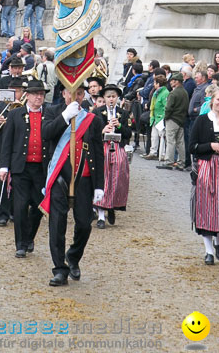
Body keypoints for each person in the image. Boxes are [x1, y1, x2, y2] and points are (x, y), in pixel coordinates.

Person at [41, 82, 105, 286]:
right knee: (57, 224)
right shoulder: (53, 112)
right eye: (71, 92)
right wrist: (64, 117)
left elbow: (97, 153)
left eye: (79, 93)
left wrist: (99, 185)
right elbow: (46, 134)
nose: (75, 97)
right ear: (63, 93)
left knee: (85, 224)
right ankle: (60, 269)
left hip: (84, 180)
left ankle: (73, 256)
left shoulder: (93, 119)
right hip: (60, 178)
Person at [0, 77, 49, 258]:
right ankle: (20, 244)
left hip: (41, 169)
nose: (38, 98)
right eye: (35, 94)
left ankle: (29, 237)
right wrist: (4, 166)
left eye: (41, 94)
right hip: (21, 168)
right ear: (27, 96)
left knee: (38, 207)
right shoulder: (15, 115)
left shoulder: (49, 115)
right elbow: (7, 142)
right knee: (19, 206)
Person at [190, 86, 219, 264]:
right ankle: (208, 251)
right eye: (218, 100)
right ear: (212, 101)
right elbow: (192, 147)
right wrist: (210, 146)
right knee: (206, 209)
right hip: (207, 168)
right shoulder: (202, 121)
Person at [0, 78, 28, 226]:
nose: (15, 94)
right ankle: (1, 214)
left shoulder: (27, 107)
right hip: (2, 149)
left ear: (23, 92)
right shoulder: (1, 105)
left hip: (19, 150)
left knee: (18, 183)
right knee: (1, 183)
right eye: (12, 91)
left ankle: (14, 211)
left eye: (18, 91)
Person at [94, 83, 131, 228]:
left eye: (113, 97)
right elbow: (92, 132)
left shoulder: (123, 113)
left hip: (118, 149)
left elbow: (128, 134)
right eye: (108, 97)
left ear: (117, 98)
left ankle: (112, 206)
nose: (111, 100)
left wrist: (120, 126)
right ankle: (101, 215)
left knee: (117, 179)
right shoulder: (98, 112)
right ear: (104, 97)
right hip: (103, 148)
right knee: (103, 179)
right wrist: (103, 130)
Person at [160, 71, 188, 170]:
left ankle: (169, 162)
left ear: (177, 82)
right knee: (180, 142)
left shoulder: (173, 93)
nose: (171, 82)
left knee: (170, 141)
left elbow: (168, 108)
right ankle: (181, 162)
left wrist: (166, 117)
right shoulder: (185, 92)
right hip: (181, 120)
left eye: (172, 80)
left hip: (172, 119)